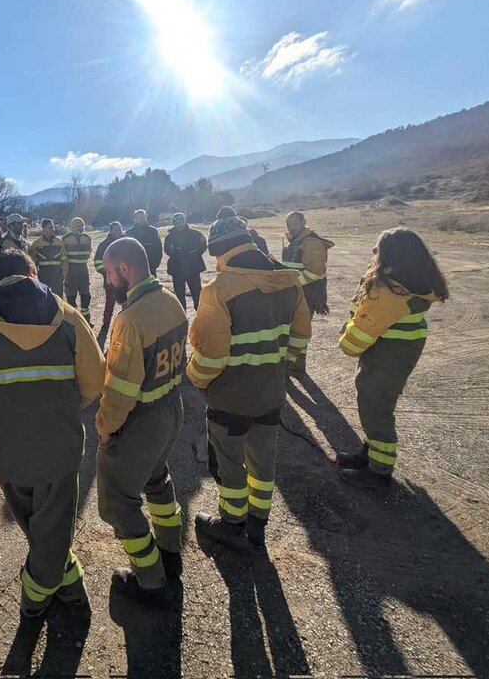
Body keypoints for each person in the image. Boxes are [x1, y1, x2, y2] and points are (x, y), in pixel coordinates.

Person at [0, 250, 105, 617]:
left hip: (3, 450)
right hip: (59, 446)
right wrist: (65, 406)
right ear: (33, 272)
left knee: (41, 529)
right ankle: (35, 600)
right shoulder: (67, 315)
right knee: (52, 528)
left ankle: (63, 585)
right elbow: (96, 380)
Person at [186, 216, 311, 553]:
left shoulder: (219, 289)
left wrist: (195, 379)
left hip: (230, 399)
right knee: (262, 461)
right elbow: (300, 338)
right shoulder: (288, 279)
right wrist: (278, 365)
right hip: (272, 392)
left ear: (220, 250)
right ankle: (258, 523)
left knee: (229, 462)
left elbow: (210, 357)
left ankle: (230, 524)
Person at [96, 238, 188, 602]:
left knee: (118, 502)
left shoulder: (130, 320)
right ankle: (170, 555)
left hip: (140, 422)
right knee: (158, 481)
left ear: (124, 270)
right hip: (170, 409)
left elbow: (119, 392)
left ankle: (150, 580)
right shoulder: (172, 301)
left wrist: (105, 428)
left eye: (108, 273)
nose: (106, 282)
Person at [336, 229, 449, 489]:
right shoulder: (412, 280)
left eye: (378, 249)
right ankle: (371, 454)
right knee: (375, 403)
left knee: (376, 406)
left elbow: (360, 334)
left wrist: (346, 339)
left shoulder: (390, 291)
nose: (374, 254)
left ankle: (379, 472)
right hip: (400, 349)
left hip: (387, 353)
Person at [282, 211, 334, 372]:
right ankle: (293, 361)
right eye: (289, 225)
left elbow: (314, 273)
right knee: (293, 328)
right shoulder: (295, 241)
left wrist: (289, 283)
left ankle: (297, 363)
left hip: (307, 294)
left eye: (295, 224)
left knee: (300, 329)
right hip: (295, 293)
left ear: (304, 222)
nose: (291, 228)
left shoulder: (311, 243)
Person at [163, 212, 208, 310]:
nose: (180, 223)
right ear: (174, 223)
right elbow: (167, 250)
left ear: (185, 221)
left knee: (197, 294)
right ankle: (182, 318)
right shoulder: (169, 237)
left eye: (181, 220)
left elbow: (203, 247)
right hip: (177, 269)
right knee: (179, 296)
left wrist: (193, 255)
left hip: (193, 268)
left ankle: (201, 315)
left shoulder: (195, 234)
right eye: (177, 221)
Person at [93, 221, 125, 347]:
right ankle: (105, 326)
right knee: (110, 303)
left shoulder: (127, 243)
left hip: (124, 280)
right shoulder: (104, 244)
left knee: (126, 303)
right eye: (115, 229)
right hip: (110, 280)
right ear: (110, 231)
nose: (118, 231)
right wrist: (107, 273)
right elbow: (97, 262)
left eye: (120, 228)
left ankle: (125, 325)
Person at [62, 217, 93, 325]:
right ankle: (73, 322)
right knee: (71, 297)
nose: (81, 228)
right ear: (72, 227)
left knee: (86, 296)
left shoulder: (87, 238)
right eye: (78, 226)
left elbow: (89, 252)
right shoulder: (65, 239)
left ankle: (86, 321)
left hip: (83, 270)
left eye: (82, 226)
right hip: (71, 271)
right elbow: (63, 256)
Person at [29, 218, 66, 296]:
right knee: (43, 297)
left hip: (57, 274)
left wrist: (63, 274)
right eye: (50, 227)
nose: (53, 229)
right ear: (43, 228)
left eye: (53, 227)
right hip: (43, 275)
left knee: (58, 298)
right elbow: (31, 262)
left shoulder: (59, 242)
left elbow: (64, 260)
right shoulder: (36, 244)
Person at [126, 209, 162, 276]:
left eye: (143, 217)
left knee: (151, 285)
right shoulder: (130, 233)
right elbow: (127, 250)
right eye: (140, 218)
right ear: (135, 219)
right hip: (135, 265)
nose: (142, 219)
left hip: (151, 264)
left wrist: (156, 262)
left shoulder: (153, 231)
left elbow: (158, 248)